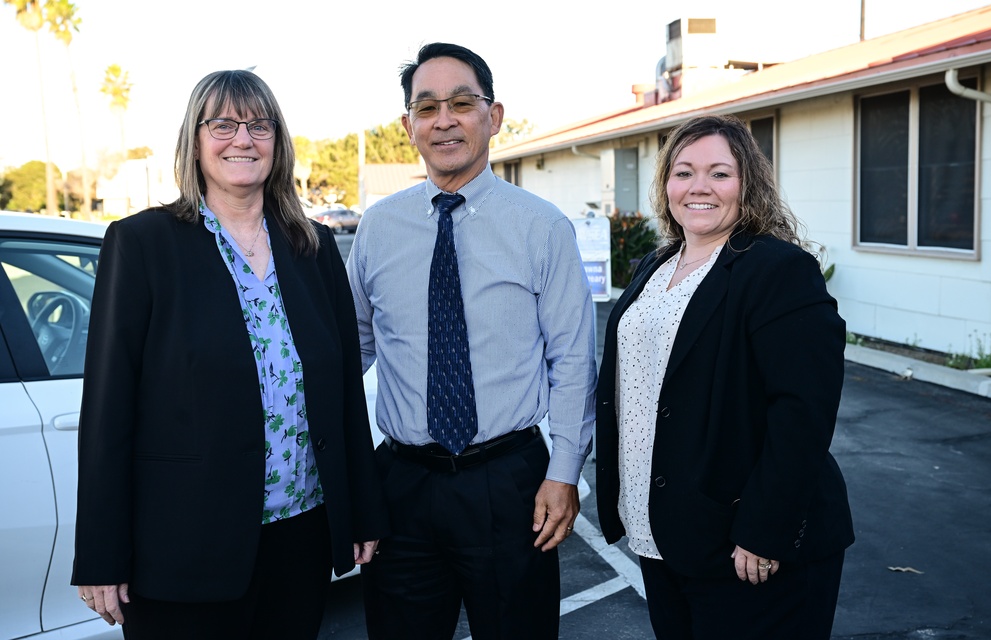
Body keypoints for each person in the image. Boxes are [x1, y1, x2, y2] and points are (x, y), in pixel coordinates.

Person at [71, 69, 390, 639]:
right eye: (222, 124)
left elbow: (343, 392)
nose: (242, 139)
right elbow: (107, 410)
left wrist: (362, 511)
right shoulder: (143, 244)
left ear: (277, 142)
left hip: (301, 537)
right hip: (183, 547)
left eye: (258, 125)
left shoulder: (313, 248)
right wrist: (100, 552)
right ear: (194, 141)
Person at [347, 42, 596, 639]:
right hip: (403, 484)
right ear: (408, 126)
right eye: (426, 107)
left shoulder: (541, 227)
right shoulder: (379, 228)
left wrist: (564, 472)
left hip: (508, 481)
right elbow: (351, 348)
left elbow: (573, 360)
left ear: (495, 115)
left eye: (462, 102)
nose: (444, 120)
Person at [595, 114, 854, 639]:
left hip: (745, 544)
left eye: (719, 173)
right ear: (666, 182)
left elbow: (803, 410)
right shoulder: (656, 265)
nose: (699, 188)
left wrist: (765, 530)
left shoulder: (776, 269)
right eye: (684, 172)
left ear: (748, 185)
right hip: (664, 532)